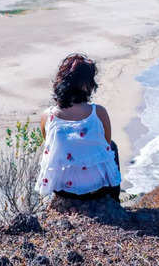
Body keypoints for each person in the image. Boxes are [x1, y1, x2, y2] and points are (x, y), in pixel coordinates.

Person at [36, 53, 121, 201]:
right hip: (97, 188)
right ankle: (114, 200)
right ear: (86, 85)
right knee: (112, 146)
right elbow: (106, 144)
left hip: (63, 190)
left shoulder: (47, 116)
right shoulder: (99, 112)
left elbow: (49, 146)